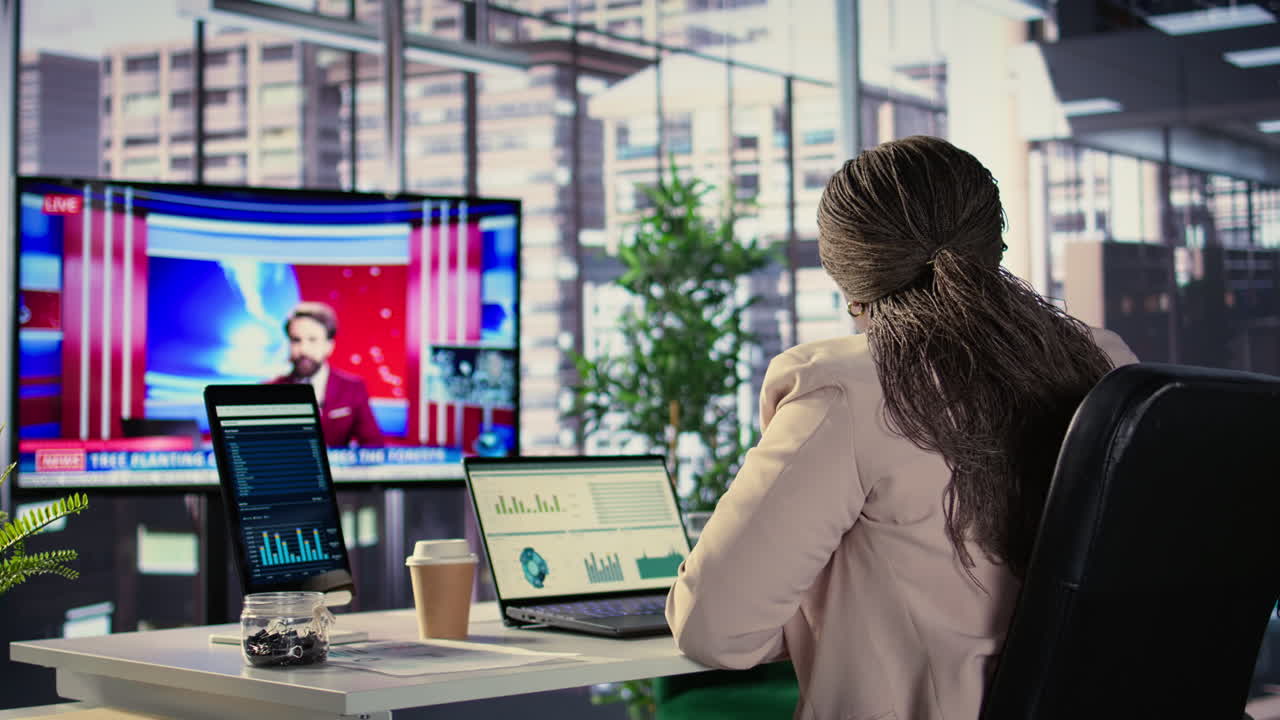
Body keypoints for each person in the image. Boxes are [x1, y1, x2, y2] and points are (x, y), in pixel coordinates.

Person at [665, 136, 1138, 720]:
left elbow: (715, 629)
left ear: (844, 272)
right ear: (996, 245)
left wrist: (828, 605)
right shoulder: (1108, 365)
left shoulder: (849, 391)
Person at [270, 301, 384, 449]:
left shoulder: (352, 388)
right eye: (296, 340)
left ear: (329, 346)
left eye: (312, 340)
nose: (303, 349)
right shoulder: (270, 390)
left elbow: (374, 447)